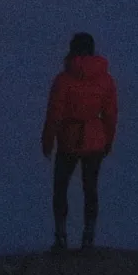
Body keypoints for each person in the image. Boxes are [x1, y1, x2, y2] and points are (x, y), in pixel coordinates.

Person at [40, 32, 117, 251]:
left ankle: (61, 235)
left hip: (68, 139)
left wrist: (47, 142)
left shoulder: (63, 80)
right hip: (95, 139)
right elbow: (111, 115)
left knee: (60, 188)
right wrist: (108, 141)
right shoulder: (106, 80)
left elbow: (54, 114)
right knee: (90, 189)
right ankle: (88, 236)